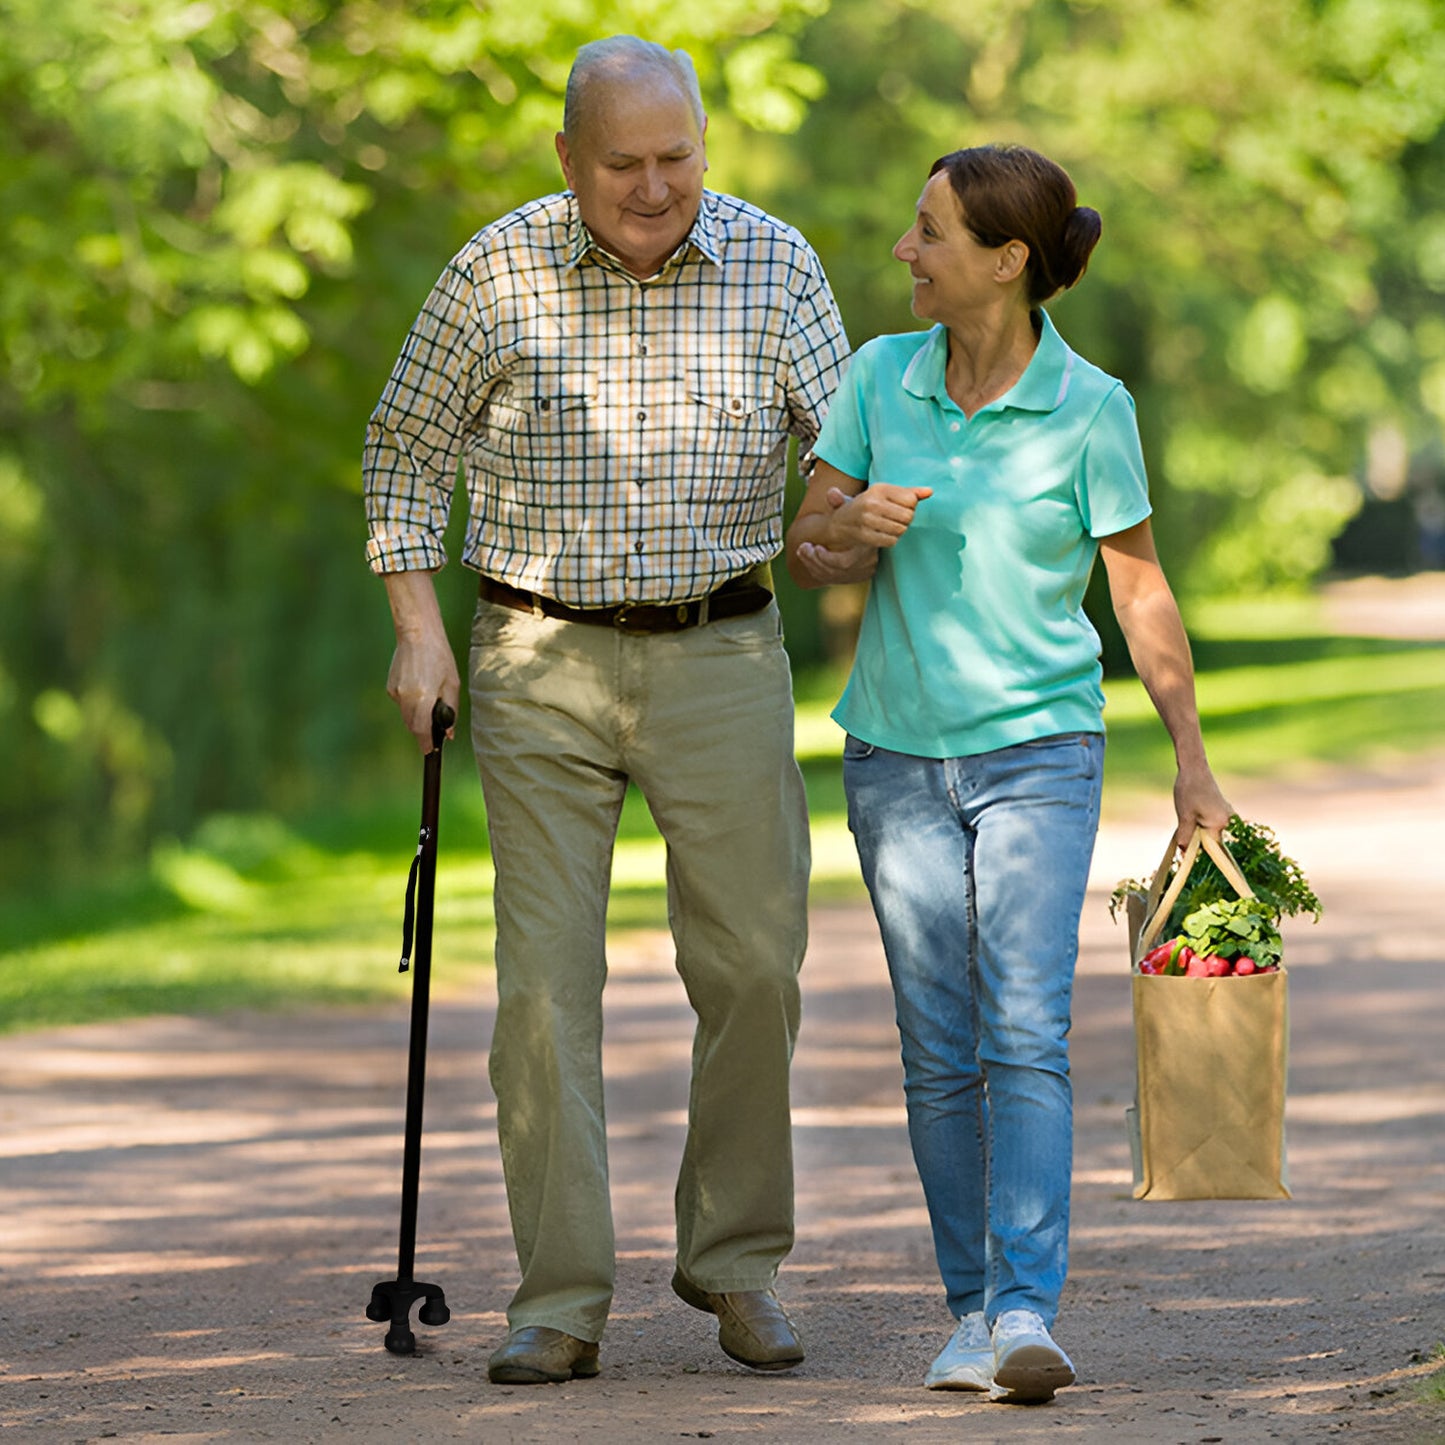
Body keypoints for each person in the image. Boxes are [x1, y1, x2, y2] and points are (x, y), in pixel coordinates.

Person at [363, 36, 849, 1385]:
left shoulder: (776, 262)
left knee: (754, 965)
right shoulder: (493, 269)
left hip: (722, 651)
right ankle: (561, 1294)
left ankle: (736, 1262)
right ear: (567, 159)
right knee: (542, 989)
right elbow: (401, 453)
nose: (653, 189)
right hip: (534, 659)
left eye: (676, 159)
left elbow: (851, 442)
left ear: (705, 145)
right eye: (622, 164)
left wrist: (845, 521)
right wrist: (417, 633)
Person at [784, 143, 1231, 1405]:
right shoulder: (880, 376)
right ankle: (971, 1309)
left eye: (924, 231)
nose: (901, 251)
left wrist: (1191, 760)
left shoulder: (1091, 407)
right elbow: (803, 544)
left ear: (1004, 258)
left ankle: (1026, 1306)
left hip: (1039, 750)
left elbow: (1136, 588)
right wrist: (842, 530)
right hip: (893, 759)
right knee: (936, 1047)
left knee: (1020, 1026)